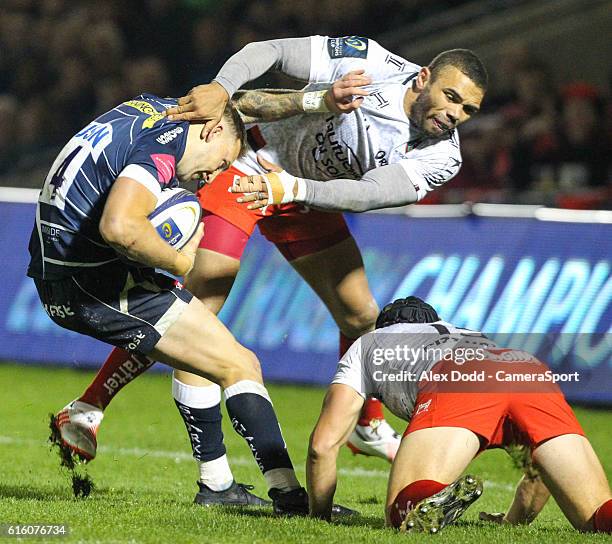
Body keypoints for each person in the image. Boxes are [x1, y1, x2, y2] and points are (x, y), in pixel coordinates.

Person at [54, 35, 487, 506]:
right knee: (199, 311)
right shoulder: (369, 61)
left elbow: (369, 194)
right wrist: (223, 87)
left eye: (468, 110)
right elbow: (272, 52)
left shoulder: (444, 155)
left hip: (304, 193)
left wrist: (292, 189)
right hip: (246, 167)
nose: (455, 115)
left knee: (361, 316)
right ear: (423, 78)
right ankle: (97, 410)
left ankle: (366, 425)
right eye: (451, 97)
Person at [28, 93, 351, 515]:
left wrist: (317, 99)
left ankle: (220, 485)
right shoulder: (164, 146)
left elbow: (243, 103)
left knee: (237, 362)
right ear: (211, 131)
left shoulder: (152, 109)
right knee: (237, 365)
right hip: (88, 282)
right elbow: (120, 225)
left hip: (70, 270)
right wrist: (183, 259)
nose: (212, 175)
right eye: (219, 163)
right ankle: (291, 501)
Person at [306, 296, 612, 533]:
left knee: (403, 513)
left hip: (458, 376)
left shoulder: (369, 343)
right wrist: (511, 523)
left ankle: (429, 496)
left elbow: (323, 446)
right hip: (526, 369)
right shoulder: (463, 331)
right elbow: (541, 470)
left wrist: (318, 517)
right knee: (597, 517)